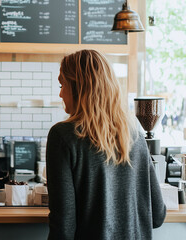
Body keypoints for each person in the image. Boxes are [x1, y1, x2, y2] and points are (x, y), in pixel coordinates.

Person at [46, 49, 166, 239]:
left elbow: (64, 225)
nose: (60, 94)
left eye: (62, 85)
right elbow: (157, 215)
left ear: (78, 87)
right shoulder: (135, 134)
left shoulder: (63, 135)